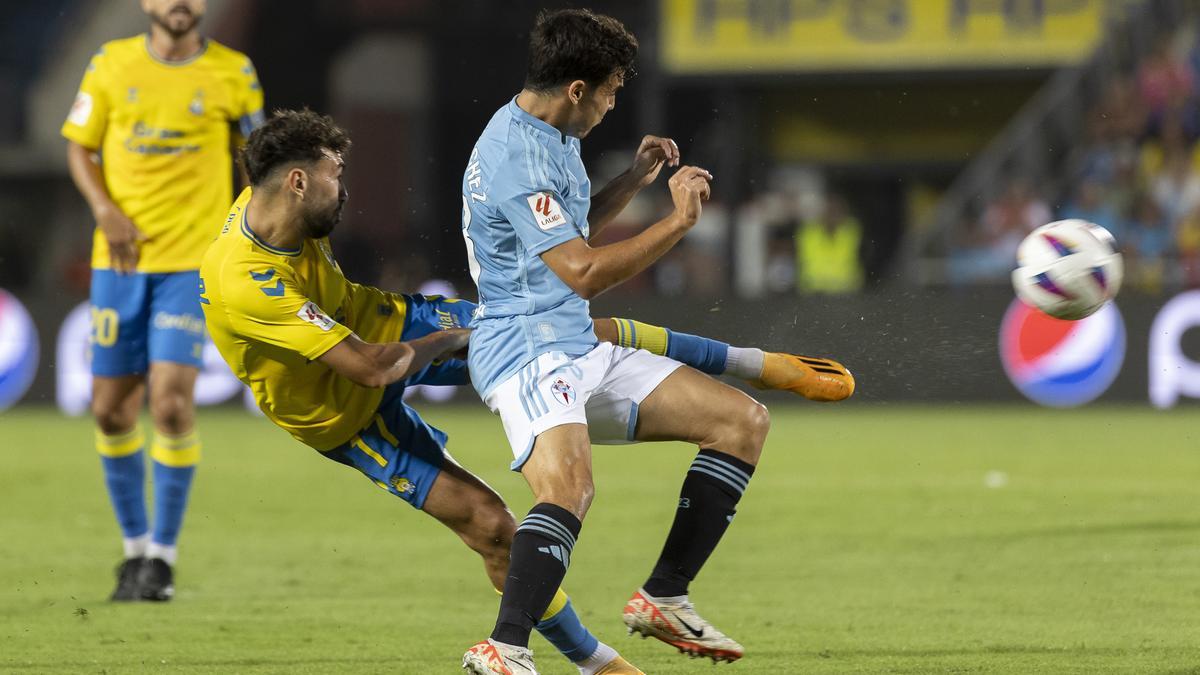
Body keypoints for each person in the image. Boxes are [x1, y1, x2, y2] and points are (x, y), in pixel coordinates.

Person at [201, 109, 848, 675]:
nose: (344, 188)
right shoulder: (246, 279)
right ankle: (596, 660)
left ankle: (754, 365)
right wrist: (463, 339)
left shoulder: (279, 212)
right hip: (344, 414)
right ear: (297, 181)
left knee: (550, 326)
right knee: (492, 526)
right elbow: (370, 369)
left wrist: (627, 186)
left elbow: (555, 256)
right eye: (336, 173)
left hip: (389, 323)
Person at [459, 9, 852, 673]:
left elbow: (569, 232)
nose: (614, 103)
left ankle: (665, 594)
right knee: (568, 489)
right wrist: (677, 222)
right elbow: (581, 270)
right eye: (610, 90)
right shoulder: (516, 155)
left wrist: (635, 181)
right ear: (577, 88)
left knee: (739, 420)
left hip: (575, 342)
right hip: (525, 347)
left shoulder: (548, 132)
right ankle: (504, 647)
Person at [62, 0, 264, 601]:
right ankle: (133, 550)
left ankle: (162, 560)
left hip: (189, 264)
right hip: (119, 263)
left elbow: (259, 160)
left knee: (172, 406)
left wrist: (244, 234)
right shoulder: (110, 64)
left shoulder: (234, 71)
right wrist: (105, 211)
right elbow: (79, 146)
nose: (180, 3)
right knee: (109, 412)